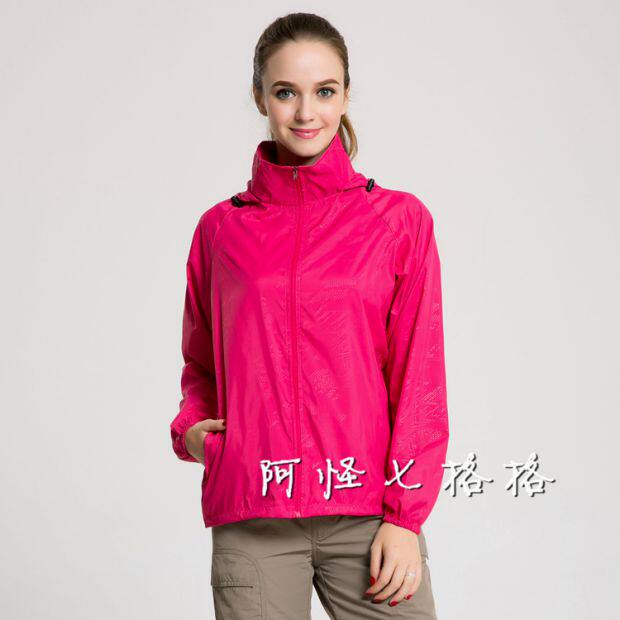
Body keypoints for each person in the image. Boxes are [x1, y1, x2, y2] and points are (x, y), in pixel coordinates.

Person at [170, 12, 450, 619]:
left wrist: (405, 517)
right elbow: (202, 361)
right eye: (285, 92)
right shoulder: (220, 230)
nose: (305, 112)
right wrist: (192, 428)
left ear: (346, 95)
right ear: (259, 97)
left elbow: (419, 379)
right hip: (255, 515)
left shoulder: (398, 221)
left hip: (365, 511)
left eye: (324, 91)